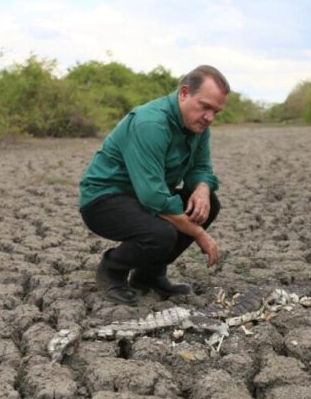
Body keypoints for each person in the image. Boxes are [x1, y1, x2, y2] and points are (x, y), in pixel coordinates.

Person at [78, 65, 228, 304]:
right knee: (161, 232)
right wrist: (199, 233)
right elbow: (153, 197)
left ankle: (148, 276)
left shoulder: (198, 127)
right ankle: (112, 270)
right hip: (104, 200)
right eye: (205, 106)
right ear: (184, 93)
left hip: (142, 198)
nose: (209, 117)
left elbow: (201, 169)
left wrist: (202, 188)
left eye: (216, 112)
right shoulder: (151, 123)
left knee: (209, 203)